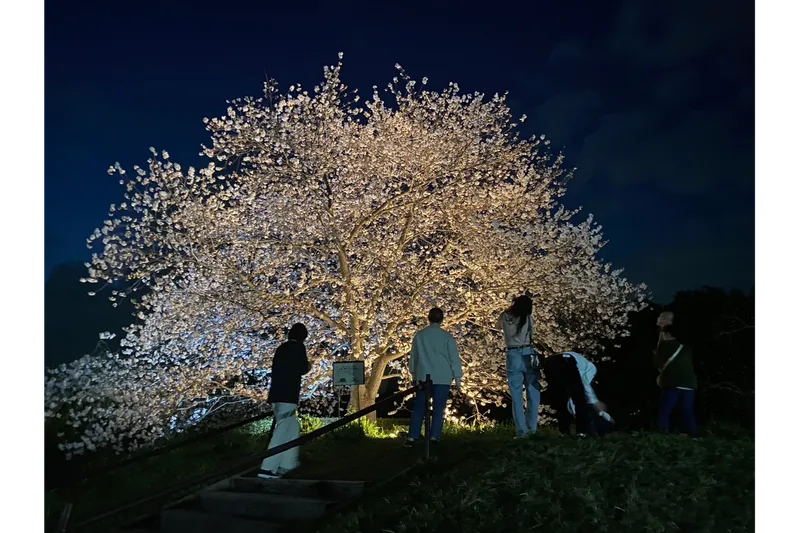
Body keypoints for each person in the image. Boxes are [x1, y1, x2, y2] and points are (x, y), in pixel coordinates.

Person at [405, 308, 463, 447]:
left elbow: (414, 357)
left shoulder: (420, 335)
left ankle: (413, 436)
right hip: (443, 376)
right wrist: (458, 378)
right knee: (439, 408)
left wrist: (413, 373)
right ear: (442, 319)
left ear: (428, 318)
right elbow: (454, 359)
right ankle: (434, 437)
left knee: (419, 406)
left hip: (423, 376)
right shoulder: (447, 337)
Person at [259, 323, 311, 479]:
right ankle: (267, 468)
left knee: (292, 426)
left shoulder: (281, 348)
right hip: (288, 396)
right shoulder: (299, 348)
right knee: (282, 430)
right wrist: (309, 366)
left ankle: (288, 463)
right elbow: (302, 368)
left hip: (276, 395)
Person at [543, 351, 614, 437]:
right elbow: (585, 384)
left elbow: (570, 400)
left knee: (561, 400)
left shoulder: (582, 366)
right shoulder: (592, 369)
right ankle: (582, 432)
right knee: (579, 399)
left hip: (550, 364)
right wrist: (595, 402)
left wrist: (576, 413)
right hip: (567, 362)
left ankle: (564, 432)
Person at [498, 295, 540, 437]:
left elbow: (498, 327)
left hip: (512, 355)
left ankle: (521, 430)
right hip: (527, 354)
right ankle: (532, 428)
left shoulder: (505, 316)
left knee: (516, 394)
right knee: (533, 391)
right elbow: (531, 334)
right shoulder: (528, 318)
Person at [653, 311, 698, 437]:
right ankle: (692, 435)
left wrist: (660, 339)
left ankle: (663, 436)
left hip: (673, 383)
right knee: (687, 411)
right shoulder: (686, 348)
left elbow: (657, 362)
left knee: (664, 411)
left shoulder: (664, 346)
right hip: (690, 384)